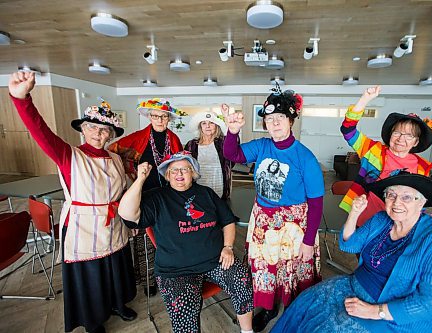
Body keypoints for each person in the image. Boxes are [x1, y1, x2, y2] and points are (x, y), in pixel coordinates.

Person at [8, 71, 136, 333]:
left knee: (116, 266)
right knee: (91, 275)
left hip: (115, 224)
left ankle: (117, 303)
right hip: (84, 226)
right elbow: (41, 132)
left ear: (110, 134)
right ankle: (93, 320)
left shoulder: (115, 159)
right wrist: (22, 99)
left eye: (104, 130)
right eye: (92, 128)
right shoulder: (69, 156)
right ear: (83, 129)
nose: (98, 134)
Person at [271, 171, 432, 333]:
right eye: (391, 195)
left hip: (394, 317)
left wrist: (375, 311)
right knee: (306, 301)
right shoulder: (382, 219)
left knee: (326, 327)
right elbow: (349, 245)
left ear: (422, 203)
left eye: (406, 197)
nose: (396, 203)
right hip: (354, 287)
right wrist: (354, 213)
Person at [223, 87, 325, 332]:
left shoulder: (305, 157)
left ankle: (293, 310)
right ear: (265, 124)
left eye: (280, 118)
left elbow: (316, 203)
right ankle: (269, 308)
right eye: (269, 119)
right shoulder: (261, 146)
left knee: (292, 271)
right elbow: (232, 153)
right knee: (266, 269)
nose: (275, 123)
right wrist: (233, 130)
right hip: (263, 222)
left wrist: (308, 241)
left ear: (290, 121)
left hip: (294, 226)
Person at [117, 151, 254, 333]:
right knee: (185, 309)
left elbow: (227, 221)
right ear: (167, 175)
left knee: (241, 278)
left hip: (216, 261)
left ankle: (247, 331)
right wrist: (140, 180)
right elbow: (126, 213)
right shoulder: (157, 197)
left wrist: (228, 247)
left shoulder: (206, 193)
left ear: (193, 173)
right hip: (175, 271)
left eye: (184, 169)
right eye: (173, 171)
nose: (179, 174)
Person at [108, 97, 183, 296]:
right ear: (149, 117)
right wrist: (129, 173)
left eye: (164, 116)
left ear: (168, 118)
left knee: (168, 237)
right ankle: (148, 281)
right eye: (156, 116)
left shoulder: (174, 139)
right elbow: (112, 152)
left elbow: (181, 165)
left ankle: (169, 276)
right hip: (143, 195)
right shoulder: (139, 137)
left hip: (168, 196)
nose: (159, 120)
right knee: (144, 240)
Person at [339, 86, 432, 225]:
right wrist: (365, 99)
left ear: (416, 142)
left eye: (409, 135)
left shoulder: (421, 167)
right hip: (366, 216)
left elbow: (419, 199)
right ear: (390, 135)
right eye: (397, 132)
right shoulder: (373, 150)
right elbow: (348, 130)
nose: (401, 139)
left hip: (399, 223)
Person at [184, 109, 234, 199]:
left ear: (216, 126)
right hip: (198, 189)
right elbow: (186, 167)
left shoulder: (223, 143)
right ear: (200, 127)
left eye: (211, 123)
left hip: (219, 188)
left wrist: (226, 116)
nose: (207, 126)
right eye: (204, 123)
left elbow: (234, 145)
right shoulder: (191, 145)